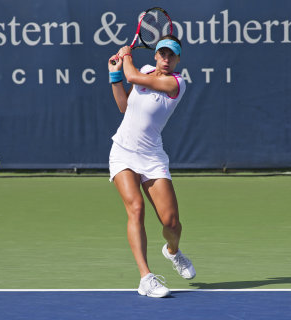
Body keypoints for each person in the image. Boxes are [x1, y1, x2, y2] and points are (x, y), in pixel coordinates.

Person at [107, 35, 196, 298]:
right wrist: (115, 77)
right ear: (155, 56)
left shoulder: (176, 83)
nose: (167, 60)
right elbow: (124, 106)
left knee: (171, 222)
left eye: (172, 55)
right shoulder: (144, 71)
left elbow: (133, 76)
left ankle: (172, 251)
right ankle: (145, 277)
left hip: (152, 157)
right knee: (136, 208)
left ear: (178, 59)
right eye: (162, 54)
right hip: (122, 151)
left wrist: (126, 58)